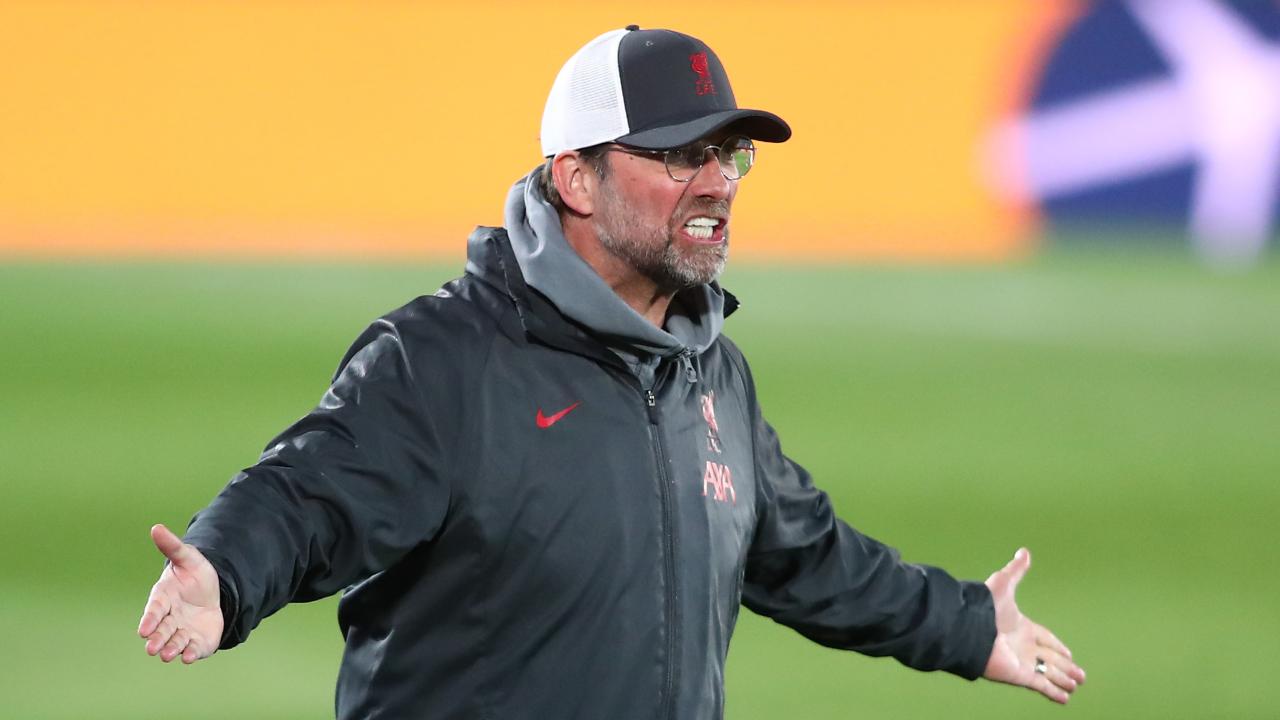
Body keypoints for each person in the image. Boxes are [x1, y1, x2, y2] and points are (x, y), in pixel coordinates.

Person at [137, 26, 1086, 718]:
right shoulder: (449, 359)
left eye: (730, 154)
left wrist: (968, 627)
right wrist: (223, 569)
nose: (716, 182)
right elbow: (311, 491)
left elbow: (801, 553)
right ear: (575, 178)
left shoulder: (712, 374)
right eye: (679, 155)